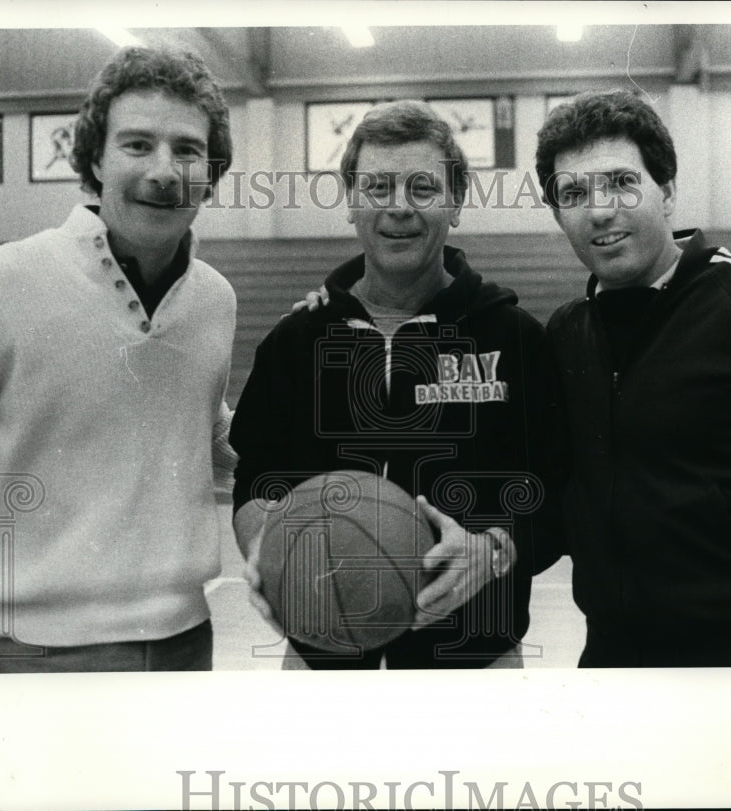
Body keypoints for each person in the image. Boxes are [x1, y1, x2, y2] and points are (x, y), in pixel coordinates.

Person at [0, 46, 237, 673]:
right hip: (31, 652)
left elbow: (206, 435)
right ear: (94, 157)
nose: (165, 170)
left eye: (186, 150)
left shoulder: (214, 299)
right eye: (137, 145)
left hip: (185, 640)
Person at [230, 100, 561, 669]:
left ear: (456, 202)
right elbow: (255, 481)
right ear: (351, 202)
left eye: (423, 188)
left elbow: (557, 491)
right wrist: (266, 548)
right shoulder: (295, 342)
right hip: (323, 654)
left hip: (474, 657)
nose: (399, 208)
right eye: (378, 186)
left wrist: (493, 550)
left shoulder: (514, 339)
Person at [535, 90, 731, 667]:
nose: (598, 210)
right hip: (613, 664)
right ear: (558, 214)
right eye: (573, 194)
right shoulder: (565, 334)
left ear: (669, 191)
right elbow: (553, 507)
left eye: (621, 182)